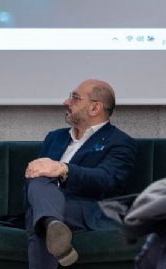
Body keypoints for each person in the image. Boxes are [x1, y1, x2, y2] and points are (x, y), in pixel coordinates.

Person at [24, 79, 137, 268]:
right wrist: (44, 171)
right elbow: (33, 178)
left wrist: (64, 169)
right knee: (38, 180)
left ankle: (50, 222)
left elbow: (107, 180)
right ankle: (53, 225)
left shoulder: (119, 142)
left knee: (37, 214)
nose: (66, 102)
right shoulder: (55, 137)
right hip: (45, 200)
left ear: (95, 108)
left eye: (74, 98)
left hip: (86, 209)